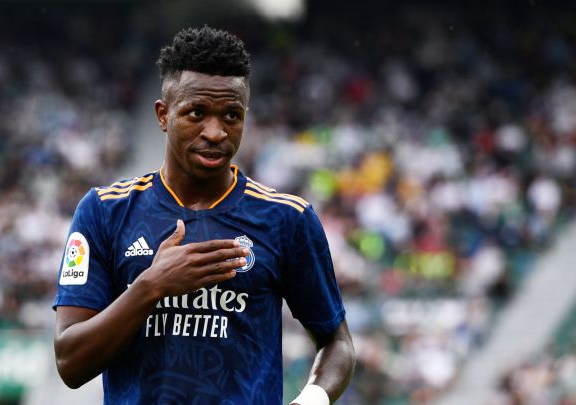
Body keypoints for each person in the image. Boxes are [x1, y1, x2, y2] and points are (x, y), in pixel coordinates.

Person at [53, 26, 355, 405]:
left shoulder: (287, 218)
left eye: (231, 115)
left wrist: (311, 400)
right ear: (163, 115)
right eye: (196, 113)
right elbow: (70, 363)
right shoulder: (104, 211)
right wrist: (150, 287)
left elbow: (336, 341)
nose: (215, 132)